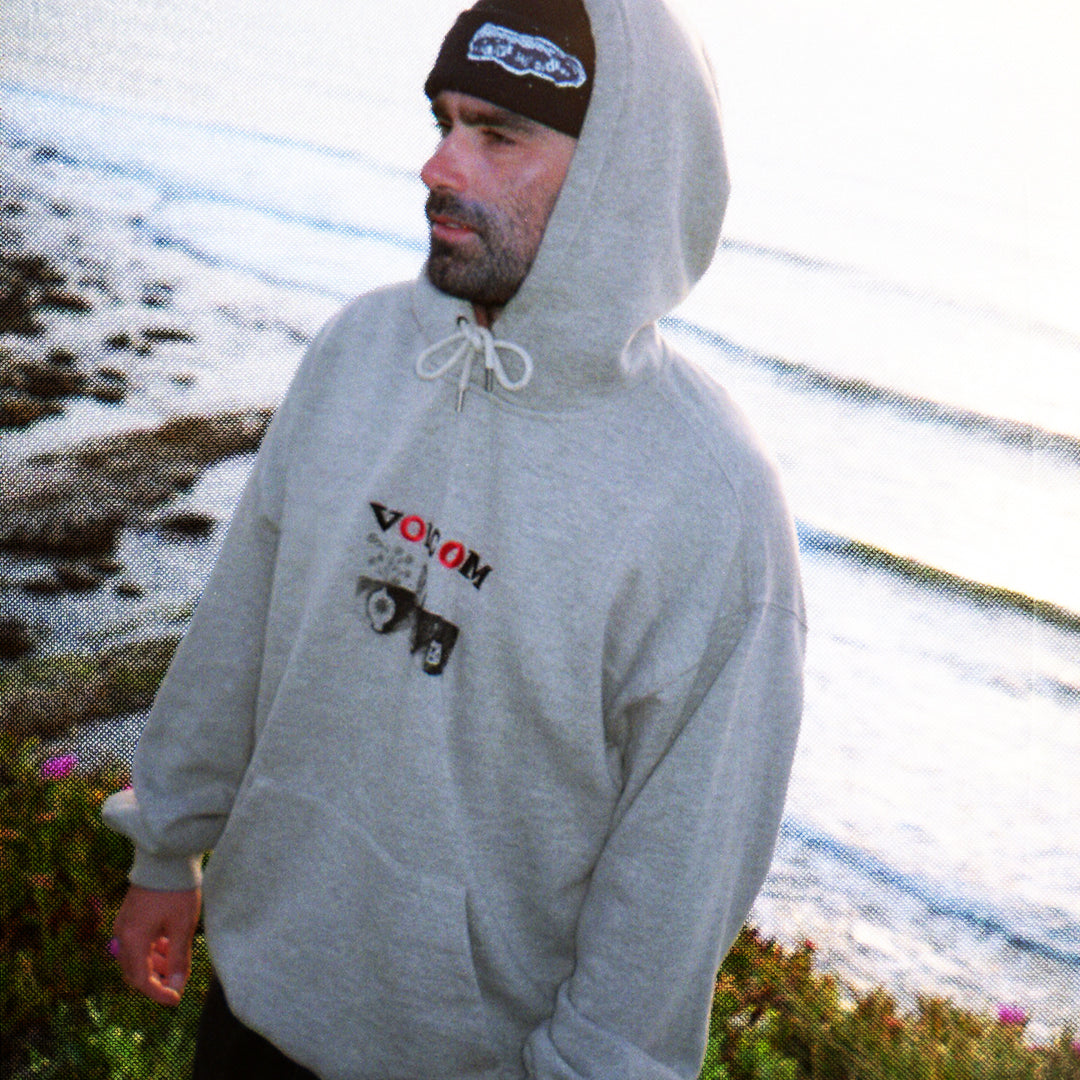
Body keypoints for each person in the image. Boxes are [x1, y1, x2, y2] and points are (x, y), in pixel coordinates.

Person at [103, 0, 806, 1076]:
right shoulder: (361, 351)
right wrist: (169, 844)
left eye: (498, 132)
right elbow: (238, 624)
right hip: (254, 1000)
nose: (438, 165)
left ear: (623, 171)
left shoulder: (709, 505)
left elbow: (677, 876)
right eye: (443, 120)